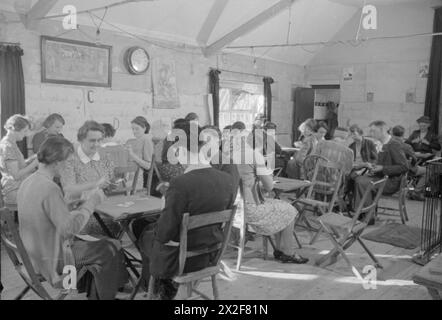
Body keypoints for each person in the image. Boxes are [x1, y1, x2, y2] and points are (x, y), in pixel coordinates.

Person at [136, 122, 238, 299]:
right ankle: (165, 285)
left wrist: (165, 205)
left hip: (182, 260)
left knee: (142, 231)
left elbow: (164, 234)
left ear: (180, 152)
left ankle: (160, 283)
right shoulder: (227, 180)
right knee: (148, 229)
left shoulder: (181, 184)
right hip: (211, 253)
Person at [17, 136, 128, 300]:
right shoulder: (50, 189)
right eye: (67, 162)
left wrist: (69, 205)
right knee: (109, 247)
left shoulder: (28, 182)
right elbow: (70, 230)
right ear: (57, 162)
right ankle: (105, 296)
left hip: (33, 254)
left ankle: (96, 292)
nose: (68, 165)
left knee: (103, 242)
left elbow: (45, 216)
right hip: (53, 259)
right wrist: (92, 202)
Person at [234, 129, 308, 264]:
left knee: (281, 207)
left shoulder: (232, 154)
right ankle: (288, 252)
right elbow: (269, 187)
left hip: (234, 209)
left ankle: (280, 250)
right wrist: (267, 176)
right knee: (289, 210)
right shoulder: (255, 155)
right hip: (250, 209)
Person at [60, 121, 117, 236]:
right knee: (112, 227)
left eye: (99, 140)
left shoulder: (104, 156)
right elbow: (68, 189)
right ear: (81, 140)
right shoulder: (69, 159)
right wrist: (95, 184)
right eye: (92, 140)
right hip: (78, 212)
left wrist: (110, 185)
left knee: (133, 221)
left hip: (101, 208)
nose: (96, 144)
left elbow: (109, 181)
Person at [353, 121, 408, 222]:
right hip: (381, 177)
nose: (371, 134)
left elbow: (404, 167)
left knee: (362, 182)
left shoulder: (394, 144)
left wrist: (382, 168)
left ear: (382, 130)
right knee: (357, 179)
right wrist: (375, 166)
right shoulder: (381, 144)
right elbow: (384, 162)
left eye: (373, 131)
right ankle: (364, 213)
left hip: (392, 181)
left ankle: (367, 216)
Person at [0, 115, 39, 206]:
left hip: (19, 186)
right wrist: (35, 163)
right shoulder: (8, 146)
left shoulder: (10, 143)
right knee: (45, 196)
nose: (25, 134)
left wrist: (31, 159)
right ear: (14, 129)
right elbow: (16, 175)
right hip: (14, 190)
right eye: (24, 131)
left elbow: (16, 165)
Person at [392, 125, 425, 201]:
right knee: (428, 170)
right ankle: (416, 192)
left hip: (391, 170)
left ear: (392, 134)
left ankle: (412, 190)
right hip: (405, 170)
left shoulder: (387, 144)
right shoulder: (406, 146)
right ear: (403, 135)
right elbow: (414, 159)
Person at [126, 116, 154, 190]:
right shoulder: (131, 141)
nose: (134, 131)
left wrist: (132, 155)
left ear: (144, 128)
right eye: (133, 129)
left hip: (135, 179)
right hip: (126, 175)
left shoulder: (146, 140)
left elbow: (148, 166)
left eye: (137, 129)